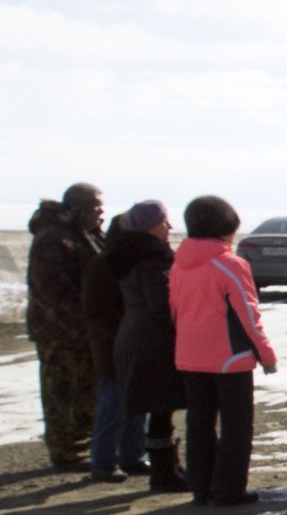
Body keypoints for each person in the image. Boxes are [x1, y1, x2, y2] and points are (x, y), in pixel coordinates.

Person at [171, 195, 277, 506]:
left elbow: (175, 310)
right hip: (230, 358)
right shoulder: (230, 264)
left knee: (199, 423)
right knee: (236, 425)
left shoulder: (178, 264)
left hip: (189, 356)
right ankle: (229, 488)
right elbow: (248, 314)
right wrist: (266, 354)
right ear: (225, 229)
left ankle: (201, 487)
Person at [110, 200, 190, 494]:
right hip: (154, 341)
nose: (169, 227)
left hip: (134, 335)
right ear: (150, 225)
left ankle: (166, 468)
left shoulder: (125, 254)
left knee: (158, 406)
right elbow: (161, 305)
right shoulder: (151, 258)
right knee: (161, 406)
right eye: (164, 221)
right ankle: (164, 472)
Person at [26, 183, 105, 469]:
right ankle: (64, 450)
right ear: (77, 207)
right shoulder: (53, 239)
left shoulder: (85, 235)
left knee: (86, 391)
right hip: (60, 332)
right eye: (96, 207)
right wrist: (79, 324)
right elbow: (52, 291)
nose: (101, 213)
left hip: (87, 331)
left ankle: (81, 446)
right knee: (62, 391)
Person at [82, 215, 149, 482]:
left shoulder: (137, 262)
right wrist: (123, 336)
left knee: (137, 405)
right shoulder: (103, 264)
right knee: (112, 405)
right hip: (112, 348)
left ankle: (133, 457)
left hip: (135, 346)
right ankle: (103, 462)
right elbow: (96, 312)